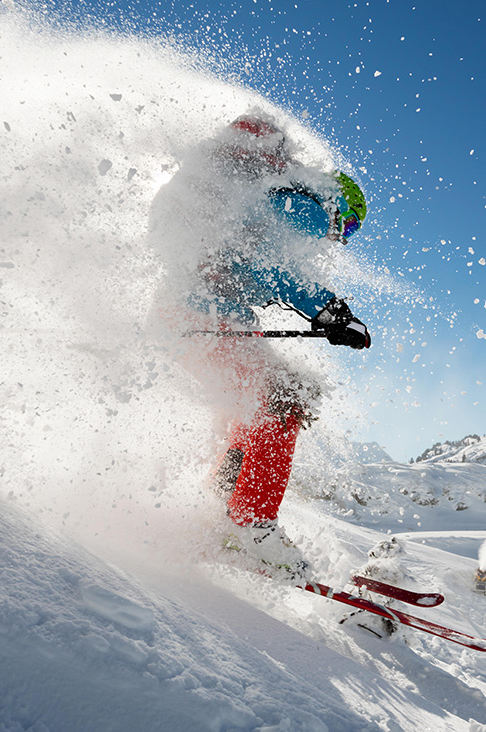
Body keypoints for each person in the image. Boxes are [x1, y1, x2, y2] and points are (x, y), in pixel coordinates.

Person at [150, 112, 371, 579]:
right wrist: (331, 312)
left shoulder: (256, 192)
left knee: (250, 406)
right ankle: (251, 524)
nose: (340, 239)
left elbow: (253, 263)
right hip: (202, 317)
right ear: (339, 206)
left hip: (194, 314)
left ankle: (225, 506)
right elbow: (269, 267)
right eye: (348, 228)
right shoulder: (303, 205)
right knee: (283, 397)